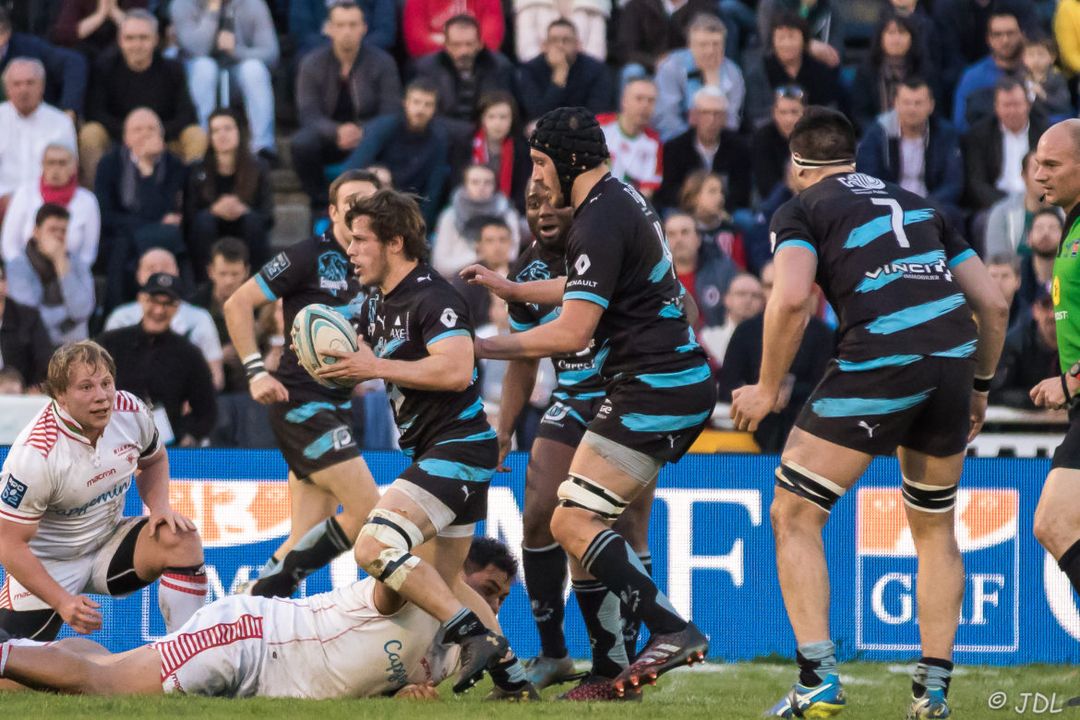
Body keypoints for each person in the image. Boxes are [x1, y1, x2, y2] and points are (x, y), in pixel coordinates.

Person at [730, 107, 1008, 719]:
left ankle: (818, 681)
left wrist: (768, 387)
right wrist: (980, 390)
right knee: (934, 529)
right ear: (853, 158)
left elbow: (793, 299)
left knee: (794, 511)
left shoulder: (801, 208)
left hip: (883, 355)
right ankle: (932, 694)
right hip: (952, 361)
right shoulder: (919, 203)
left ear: (799, 167)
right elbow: (990, 302)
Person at [469, 107, 715, 698]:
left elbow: (573, 331)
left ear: (567, 161)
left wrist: (477, 347)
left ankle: (670, 630)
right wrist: (513, 289)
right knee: (572, 519)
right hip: (660, 381)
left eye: (540, 163)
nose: (536, 180)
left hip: (653, 383)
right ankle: (609, 672)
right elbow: (585, 282)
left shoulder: (599, 218)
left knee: (573, 519)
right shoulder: (616, 201)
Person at [317, 188, 534, 699]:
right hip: (450, 451)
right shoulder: (377, 302)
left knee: (374, 546)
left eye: (361, 240)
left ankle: (471, 635)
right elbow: (374, 362)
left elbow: (458, 369)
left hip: (454, 448)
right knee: (448, 579)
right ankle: (515, 683)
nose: (350, 251)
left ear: (394, 242)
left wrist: (373, 366)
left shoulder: (432, 296)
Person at [461, 179, 656, 699]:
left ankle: (622, 660)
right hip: (571, 398)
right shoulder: (524, 272)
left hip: (630, 394)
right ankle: (553, 652)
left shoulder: (612, 244)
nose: (543, 211)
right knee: (540, 512)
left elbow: (679, 308)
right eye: (532, 204)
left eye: (553, 203)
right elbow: (525, 355)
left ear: (577, 207)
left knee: (628, 525)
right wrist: (503, 429)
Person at [0, 536, 517, 699]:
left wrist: (405, 695)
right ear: (456, 575)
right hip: (246, 639)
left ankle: (21, 666)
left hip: (266, 672)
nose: (492, 606)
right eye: (487, 589)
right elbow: (403, 567)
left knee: (104, 666)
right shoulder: (408, 591)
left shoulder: (457, 656)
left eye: (500, 598)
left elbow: (372, 676)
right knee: (104, 686)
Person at [222, 170, 381, 599]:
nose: (359, 209)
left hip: (338, 405)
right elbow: (237, 304)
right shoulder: (308, 255)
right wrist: (256, 371)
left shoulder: (377, 263)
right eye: (350, 202)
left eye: (369, 201)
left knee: (305, 536)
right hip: (300, 403)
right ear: (332, 211)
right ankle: (257, 593)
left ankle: (247, 605)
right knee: (369, 512)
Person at [0, 340, 206, 640]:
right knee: (12, 676)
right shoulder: (36, 453)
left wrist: (160, 507)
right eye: (86, 387)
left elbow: (155, 459)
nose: (102, 397)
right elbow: (8, 544)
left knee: (181, 537)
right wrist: (62, 601)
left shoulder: (131, 410)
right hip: (49, 564)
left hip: (107, 543)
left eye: (106, 383)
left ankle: (187, 655)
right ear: (60, 395)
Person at [1029, 120, 1080, 605]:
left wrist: (1073, 380)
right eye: (1037, 163)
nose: (1039, 173)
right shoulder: (1073, 223)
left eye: (1052, 164)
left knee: (1053, 521)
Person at [291, 1, 401, 214]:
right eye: (340, 25)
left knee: (391, 130)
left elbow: (390, 112)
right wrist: (336, 131)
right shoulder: (311, 63)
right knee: (302, 143)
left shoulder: (383, 62)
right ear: (328, 29)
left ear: (364, 28)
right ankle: (321, 202)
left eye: (353, 25)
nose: (347, 31)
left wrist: (363, 131)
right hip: (329, 140)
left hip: (370, 139)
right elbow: (308, 113)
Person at [719, 261, 834, 453]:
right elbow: (727, 386)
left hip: (806, 425)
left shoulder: (822, 334)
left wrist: (785, 393)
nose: (775, 291)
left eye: (780, 284)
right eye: (768, 285)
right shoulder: (746, 332)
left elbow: (827, 386)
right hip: (754, 425)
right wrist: (760, 394)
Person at [80, 10, 205, 185]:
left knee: (196, 135)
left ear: (155, 40)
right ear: (120, 40)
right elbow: (95, 112)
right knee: (90, 133)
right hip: (119, 139)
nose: (136, 44)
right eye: (130, 38)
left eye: (143, 38)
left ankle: (190, 195)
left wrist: (154, 135)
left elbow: (187, 115)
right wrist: (131, 135)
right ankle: (99, 195)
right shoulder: (104, 67)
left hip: (163, 140)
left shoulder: (173, 69)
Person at [98, 273, 218, 447]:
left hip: (164, 447)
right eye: (154, 301)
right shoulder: (110, 343)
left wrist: (187, 436)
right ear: (142, 299)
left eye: (168, 304)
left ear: (177, 308)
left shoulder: (189, 354)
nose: (159, 310)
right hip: (110, 439)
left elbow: (207, 409)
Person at [94, 108, 189, 311]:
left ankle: (184, 305)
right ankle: (115, 313)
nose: (145, 134)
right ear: (126, 138)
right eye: (138, 129)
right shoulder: (109, 164)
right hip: (120, 236)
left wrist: (147, 170)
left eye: (151, 129)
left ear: (162, 137)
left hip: (160, 238)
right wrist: (148, 224)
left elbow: (170, 211)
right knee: (121, 246)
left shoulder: (175, 166)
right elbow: (106, 215)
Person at [171, 0, 280, 159]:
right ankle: (204, 142)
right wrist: (213, 10)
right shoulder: (182, 4)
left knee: (254, 69)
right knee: (205, 67)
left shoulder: (253, 4)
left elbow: (271, 54)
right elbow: (197, 49)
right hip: (197, 78)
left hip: (235, 75)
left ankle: (263, 146)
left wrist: (236, 51)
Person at [104, 248, 225, 389]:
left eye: (166, 266)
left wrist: (196, 398)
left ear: (178, 271)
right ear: (138, 274)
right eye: (151, 268)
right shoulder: (121, 318)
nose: (159, 310)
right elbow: (104, 373)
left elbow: (216, 377)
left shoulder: (199, 318)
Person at [343, 80, 451, 227]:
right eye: (416, 102)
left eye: (428, 104)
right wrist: (374, 175)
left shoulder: (438, 138)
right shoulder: (384, 127)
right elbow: (352, 168)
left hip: (409, 206)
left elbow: (434, 188)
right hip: (374, 201)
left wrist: (421, 225)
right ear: (405, 102)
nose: (421, 109)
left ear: (435, 109)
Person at [855, 77, 964, 214]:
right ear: (895, 104)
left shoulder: (945, 134)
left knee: (952, 213)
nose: (912, 109)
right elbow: (868, 178)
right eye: (906, 103)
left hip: (932, 206)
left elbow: (952, 183)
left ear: (931, 106)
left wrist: (925, 204)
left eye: (918, 103)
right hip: (889, 205)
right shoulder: (878, 133)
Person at [185, 108, 274, 276]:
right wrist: (213, 210)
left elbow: (267, 215)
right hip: (210, 230)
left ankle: (256, 283)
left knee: (253, 222)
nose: (222, 135)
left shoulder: (258, 168)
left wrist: (243, 209)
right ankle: (204, 283)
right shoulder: (197, 169)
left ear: (239, 131)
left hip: (246, 228)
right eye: (215, 130)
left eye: (228, 128)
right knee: (204, 222)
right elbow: (190, 213)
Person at [6, 204, 94, 345]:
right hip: (30, 346)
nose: (58, 236)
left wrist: (61, 265)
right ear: (36, 232)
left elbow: (82, 309)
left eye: (63, 231)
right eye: (52, 230)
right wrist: (68, 315)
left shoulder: (78, 263)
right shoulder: (18, 265)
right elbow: (30, 317)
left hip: (73, 347)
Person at [1, 143, 99, 267]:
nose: (56, 169)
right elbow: (9, 245)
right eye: (51, 163)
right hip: (26, 272)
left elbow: (88, 252)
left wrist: (68, 272)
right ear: (42, 165)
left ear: (74, 167)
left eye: (62, 163)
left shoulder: (88, 201)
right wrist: (23, 271)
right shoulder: (24, 194)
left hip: (69, 272)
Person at [656, 86, 751, 213]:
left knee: (746, 219)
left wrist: (716, 206)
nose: (711, 119)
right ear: (693, 116)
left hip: (726, 210)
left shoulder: (739, 147)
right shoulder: (674, 147)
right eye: (705, 113)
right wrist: (698, 205)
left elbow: (742, 190)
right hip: (684, 210)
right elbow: (669, 190)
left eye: (717, 113)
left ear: (725, 118)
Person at [414, 14, 515, 131]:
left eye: (469, 44)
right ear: (445, 45)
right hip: (443, 136)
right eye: (456, 45)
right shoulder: (427, 68)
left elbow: (507, 109)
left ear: (480, 43)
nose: (464, 51)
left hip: (487, 135)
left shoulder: (499, 66)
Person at [0, 59, 78, 209]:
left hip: (48, 203)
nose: (24, 89)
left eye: (30, 83)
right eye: (17, 84)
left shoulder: (61, 122)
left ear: (41, 86)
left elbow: (68, 172)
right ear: (7, 89)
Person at [654, 14, 745, 141]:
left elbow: (731, 121)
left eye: (716, 44)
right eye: (703, 45)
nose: (710, 51)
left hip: (719, 144)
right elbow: (668, 119)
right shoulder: (671, 67)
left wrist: (715, 86)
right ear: (690, 46)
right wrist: (694, 145)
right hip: (676, 141)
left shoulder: (733, 72)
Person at [963, 78, 1046, 213]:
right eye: (1006, 105)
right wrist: (1006, 205)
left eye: (1017, 104)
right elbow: (976, 183)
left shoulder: (1044, 133)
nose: (1012, 111)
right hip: (995, 203)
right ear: (996, 107)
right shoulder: (980, 134)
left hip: (1037, 202)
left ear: (1028, 105)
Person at [743, 12, 839, 127]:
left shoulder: (819, 70)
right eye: (781, 38)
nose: (787, 44)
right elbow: (757, 115)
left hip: (811, 133)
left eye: (792, 37)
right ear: (773, 42)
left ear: (804, 41)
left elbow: (829, 111)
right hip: (771, 134)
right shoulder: (758, 71)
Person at [432, 164, 521, 278]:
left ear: (495, 186)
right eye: (475, 182)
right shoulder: (450, 216)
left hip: (499, 278)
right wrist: (479, 255)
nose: (481, 187)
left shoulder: (507, 214)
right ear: (465, 185)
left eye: (487, 182)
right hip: (457, 281)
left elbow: (512, 256)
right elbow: (440, 265)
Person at [850, 13, 933, 133]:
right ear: (881, 38)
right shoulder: (866, 70)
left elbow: (934, 111)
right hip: (876, 134)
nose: (896, 39)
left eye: (902, 33)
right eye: (890, 33)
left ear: (912, 38)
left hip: (918, 132)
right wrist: (879, 133)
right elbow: (860, 113)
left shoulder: (924, 69)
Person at [517, 19, 613, 122]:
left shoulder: (596, 70)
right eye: (554, 40)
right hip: (544, 131)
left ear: (578, 45)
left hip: (582, 130)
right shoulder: (530, 70)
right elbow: (536, 113)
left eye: (566, 40)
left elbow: (598, 111)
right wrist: (559, 76)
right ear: (544, 45)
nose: (560, 45)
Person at [0, 7, 88, 118]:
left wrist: (69, 109)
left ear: (6, 33)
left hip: (37, 119)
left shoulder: (28, 47)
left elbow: (73, 63)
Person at [952, 9, 1026, 134]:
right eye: (997, 34)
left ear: (1021, 34)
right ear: (988, 39)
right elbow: (960, 125)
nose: (1005, 40)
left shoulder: (1037, 72)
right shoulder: (973, 77)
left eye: (1010, 33)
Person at [191, 238, 251, 393]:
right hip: (205, 379)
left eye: (235, 274)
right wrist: (215, 356)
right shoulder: (195, 304)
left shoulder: (259, 304)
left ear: (246, 272)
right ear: (211, 271)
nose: (229, 281)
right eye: (223, 273)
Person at [665, 212, 738, 336]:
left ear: (698, 239)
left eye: (685, 232)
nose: (678, 239)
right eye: (671, 234)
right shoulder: (653, 279)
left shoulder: (723, 271)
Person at [990, 290, 1058, 409]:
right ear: (1035, 310)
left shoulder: (1075, 342)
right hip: (1023, 423)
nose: (1052, 314)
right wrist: (1043, 401)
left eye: (1058, 306)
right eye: (1046, 306)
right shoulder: (1014, 344)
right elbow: (996, 393)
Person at [597, 78, 662, 199]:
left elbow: (646, 193)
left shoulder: (654, 143)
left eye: (651, 101)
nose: (645, 105)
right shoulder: (600, 126)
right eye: (639, 98)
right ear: (624, 101)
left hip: (626, 208)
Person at [469, 91, 531, 212]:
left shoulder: (521, 149)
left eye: (503, 117)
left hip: (508, 210)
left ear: (512, 119)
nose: (497, 123)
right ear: (482, 119)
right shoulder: (467, 144)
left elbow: (522, 191)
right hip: (469, 208)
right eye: (491, 116)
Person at [450, 216, 515, 324]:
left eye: (502, 240)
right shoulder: (465, 277)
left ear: (511, 243)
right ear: (479, 246)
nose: (497, 247)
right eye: (490, 241)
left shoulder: (524, 271)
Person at [679, 170, 746, 269]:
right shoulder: (682, 230)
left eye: (722, 192)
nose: (720, 198)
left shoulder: (731, 230)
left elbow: (740, 269)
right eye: (712, 191)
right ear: (693, 198)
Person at [0, 261, 52, 388]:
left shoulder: (29, 319)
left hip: (21, 397)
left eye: (0, 278)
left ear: (6, 284)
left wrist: (34, 389)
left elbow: (45, 365)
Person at [753, 85, 805, 200]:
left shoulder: (814, 137)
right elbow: (765, 185)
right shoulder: (763, 137)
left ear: (804, 112)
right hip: (775, 201)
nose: (789, 119)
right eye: (783, 112)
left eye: (794, 112)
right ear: (774, 113)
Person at [513, 0, 609, 62]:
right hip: (539, 72)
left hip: (583, 73)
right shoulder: (528, 3)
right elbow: (527, 50)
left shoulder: (595, 3)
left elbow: (597, 53)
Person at [403, 0, 504, 59]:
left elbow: (491, 43)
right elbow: (416, 45)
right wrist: (466, 43)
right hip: (435, 61)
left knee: (500, 63)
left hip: (477, 60)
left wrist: (444, 41)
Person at [290, 0, 396, 55]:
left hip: (367, 50)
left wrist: (354, 50)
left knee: (383, 59)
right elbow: (301, 32)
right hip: (320, 50)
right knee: (303, 59)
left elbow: (385, 32)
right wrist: (337, 51)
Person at [50, 0, 149, 57]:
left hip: (121, 51)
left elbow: (141, 29)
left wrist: (114, 12)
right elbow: (64, 33)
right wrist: (100, 14)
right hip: (85, 49)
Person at [1022, 35, 1071, 121]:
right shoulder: (1021, 78)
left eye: (1041, 54)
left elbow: (1063, 104)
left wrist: (1044, 95)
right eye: (1031, 55)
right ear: (1024, 58)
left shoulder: (1057, 78)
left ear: (1052, 57)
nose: (1036, 59)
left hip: (1052, 120)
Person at [1019, 207, 1062, 307]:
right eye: (1039, 228)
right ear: (1029, 238)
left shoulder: (1073, 274)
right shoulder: (1018, 276)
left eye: (1052, 228)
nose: (1045, 233)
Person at [986, 254, 1027, 331]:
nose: (998, 282)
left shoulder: (1028, 317)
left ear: (1017, 281)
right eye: (993, 276)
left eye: (1005, 276)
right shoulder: (973, 315)